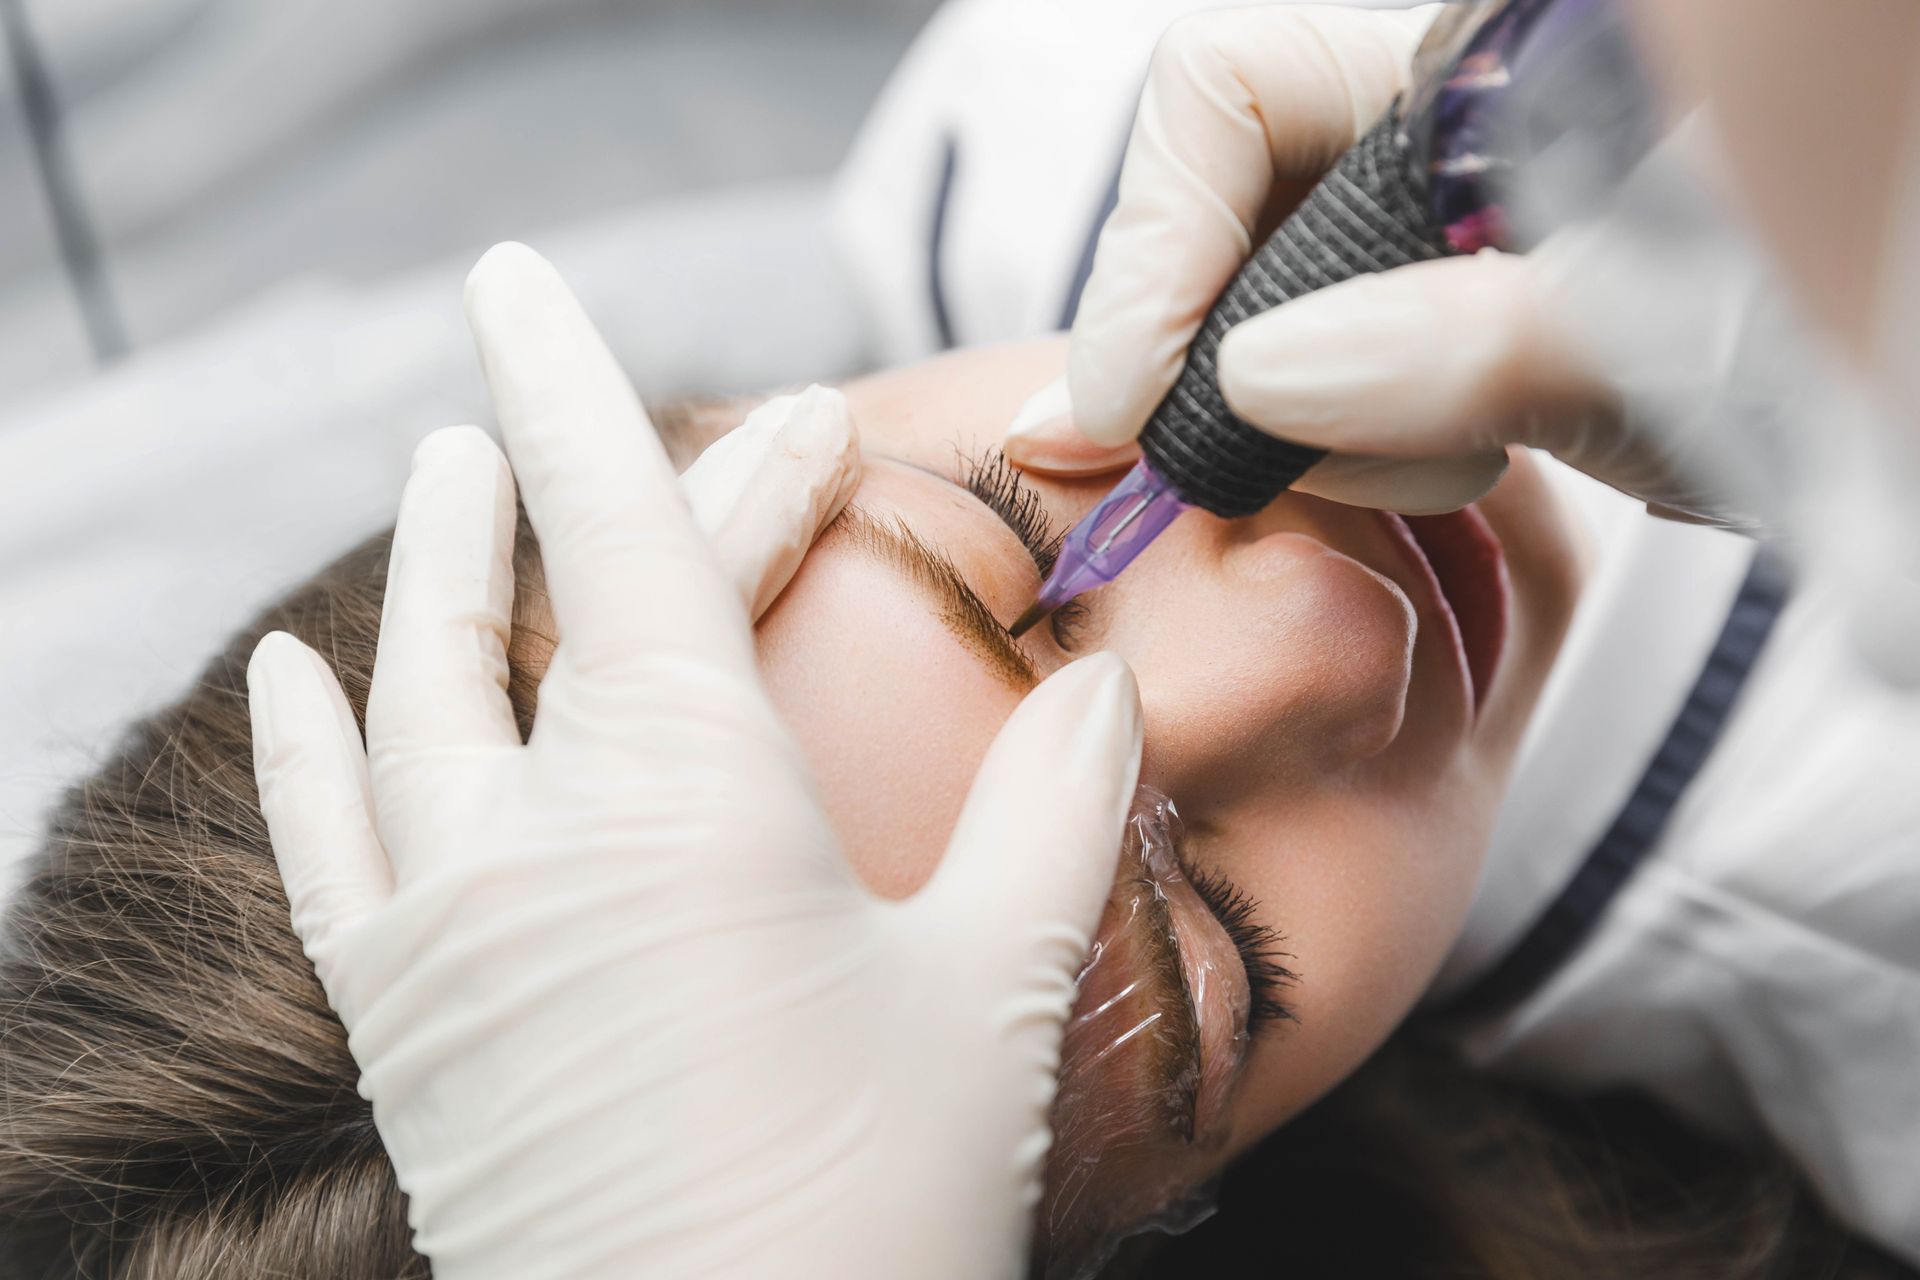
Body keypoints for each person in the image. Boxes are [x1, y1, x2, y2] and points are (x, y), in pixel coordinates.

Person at [3, 243, 1915, 1278]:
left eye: (1011, 558)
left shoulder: (1004, 152)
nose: (1332, 637)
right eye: (1227, 962)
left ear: (711, 416)